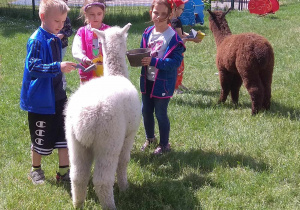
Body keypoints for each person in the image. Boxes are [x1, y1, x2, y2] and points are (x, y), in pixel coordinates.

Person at [20, 0, 76, 185]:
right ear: (43, 17)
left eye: (63, 22)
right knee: (40, 136)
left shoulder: (53, 38)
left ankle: (64, 172)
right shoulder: (36, 40)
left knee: (63, 135)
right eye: (57, 21)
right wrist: (58, 66)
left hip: (58, 96)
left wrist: (62, 67)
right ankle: (35, 170)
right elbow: (34, 67)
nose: (60, 26)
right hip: (42, 101)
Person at [140, 0, 186, 155]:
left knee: (160, 113)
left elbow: (175, 62)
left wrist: (154, 61)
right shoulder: (147, 32)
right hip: (147, 80)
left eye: (163, 14)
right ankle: (150, 139)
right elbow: (142, 51)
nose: (158, 17)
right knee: (146, 111)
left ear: (170, 15)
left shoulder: (174, 38)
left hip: (163, 83)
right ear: (151, 12)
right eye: (155, 12)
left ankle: (165, 144)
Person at [72, 0, 110, 84]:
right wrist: (84, 59)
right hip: (87, 74)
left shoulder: (109, 31)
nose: (96, 17)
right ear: (86, 14)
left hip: (106, 73)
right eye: (92, 14)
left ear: (103, 13)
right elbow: (76, 50)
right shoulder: (82, 32)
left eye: (99, 14)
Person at [170, 0, 201, 93]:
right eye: (182, 9)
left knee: (180, 67)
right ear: (175, 8)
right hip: (176, 49)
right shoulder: (175, 21)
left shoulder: (175, 20)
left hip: (178, 49)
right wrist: (193, 38)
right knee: (177, 67)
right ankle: (175, 87)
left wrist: (194, 35)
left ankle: (179, 83)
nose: (182, 11)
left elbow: (183, 33)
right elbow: (180, 37)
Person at [57, 0, 73, 90]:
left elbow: (70, 31)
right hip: (51, 45)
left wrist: (63, 34)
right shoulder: (50, 17)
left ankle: (63, 83)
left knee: (59, 62)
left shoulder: (66, 19)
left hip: (62, 45)